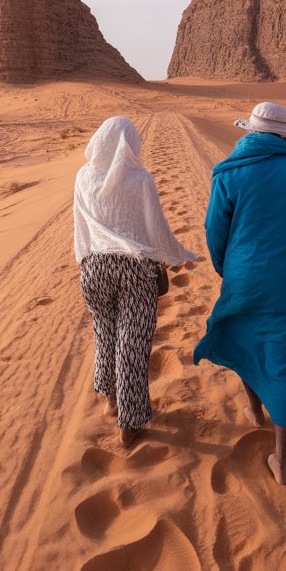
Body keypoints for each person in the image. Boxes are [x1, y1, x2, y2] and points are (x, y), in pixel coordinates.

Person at [193, 101, 286, 484]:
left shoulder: (228, 172)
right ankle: (281, 459)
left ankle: (255, 411)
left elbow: (214, 231)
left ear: (250, 131)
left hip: (243, 274)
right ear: (284, 135)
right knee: (284, 357)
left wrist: (227, 270)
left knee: (244, 339)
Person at [74, 116, 197, 447]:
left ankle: (108, 398)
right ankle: (130, 424)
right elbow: (154, 228)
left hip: (94, 267)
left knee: (105, 335)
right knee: (133, 344)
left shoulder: (83, 176)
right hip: (133, 270)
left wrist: (86, 261)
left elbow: (80, 229)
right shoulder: (140, 179)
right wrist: (178, 254)